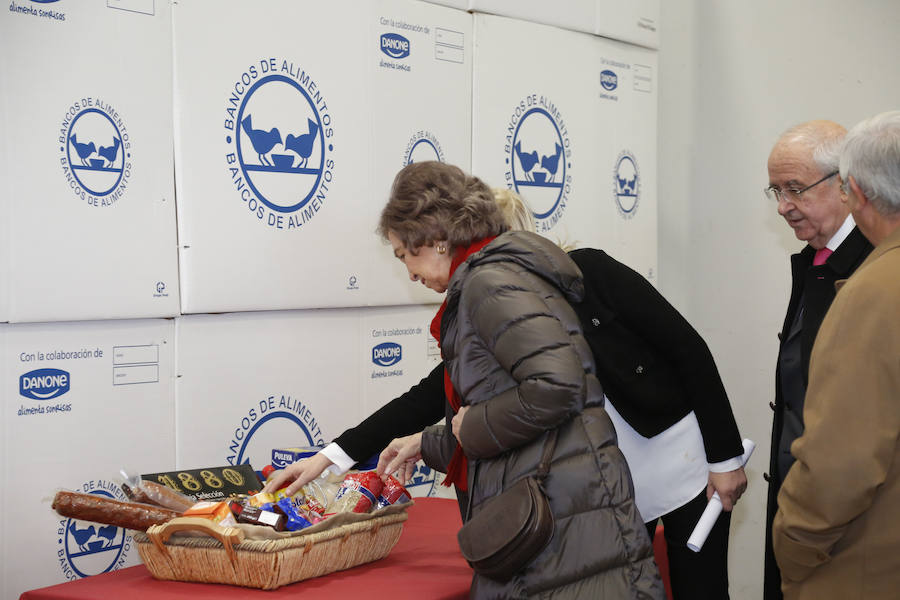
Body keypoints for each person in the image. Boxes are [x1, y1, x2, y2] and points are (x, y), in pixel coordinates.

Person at [268, 183, 746, 597]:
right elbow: (430, 395)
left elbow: (688, 350)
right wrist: (335, 455)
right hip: (604, 487)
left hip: (681, 466)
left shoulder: (591, 275)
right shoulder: (487, 312)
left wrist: (724, 461)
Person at [772, 110, 900, 599]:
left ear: (853, 189)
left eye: (795, 188)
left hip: (858, 554)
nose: (784, 206)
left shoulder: (872, 285)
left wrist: (792, 542)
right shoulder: (818, 264)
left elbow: (845, 460)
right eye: (775, 192)